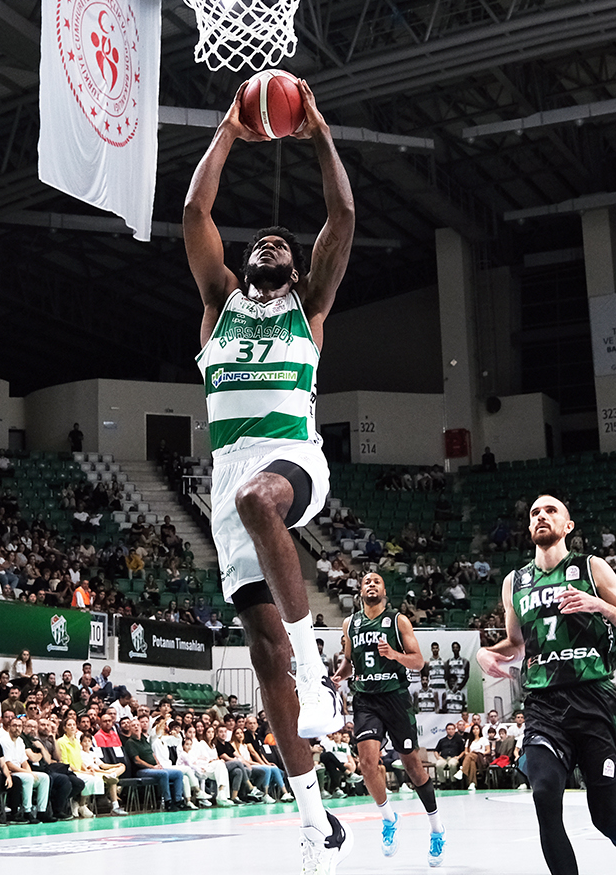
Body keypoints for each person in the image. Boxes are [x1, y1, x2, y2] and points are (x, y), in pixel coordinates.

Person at [184, 74, 355, 874]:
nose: (270, 245)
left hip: (293, 464)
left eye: (283, 244)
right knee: (261, 657)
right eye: (261, 242)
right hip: (228, 483)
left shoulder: (308, 308)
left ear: (298, 268)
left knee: (263, 499)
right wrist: (228, 127)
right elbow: (196, 215)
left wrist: (319, 134)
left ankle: (315, 669)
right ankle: (315, 819)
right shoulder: (219, 303)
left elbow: (341, 219)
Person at [476, 495, 616, 875]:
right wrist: (486, 653)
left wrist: (601, 606)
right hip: (544, 705)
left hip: (594, 703)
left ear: (568, 526)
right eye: (535, 513)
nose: (541, 516)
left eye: (551, 511)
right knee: (544, 795)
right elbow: (517, 645)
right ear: (529, 527)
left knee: (606, 819)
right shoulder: (514, 582)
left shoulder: (592, 568)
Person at [333, 572, 445, 865]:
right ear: (360, 591)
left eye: (377, 581)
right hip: (365, 700)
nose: (371, 584)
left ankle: (436, 828)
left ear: (384, 591)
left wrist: (394, 655)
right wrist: (339, 675)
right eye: (366, 581)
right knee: (367, 762)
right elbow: (349, 661)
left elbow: (418, 661)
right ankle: (388, 818)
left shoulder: (398, 621)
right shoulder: (350, 623)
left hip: (395, 698)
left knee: (413, 768)